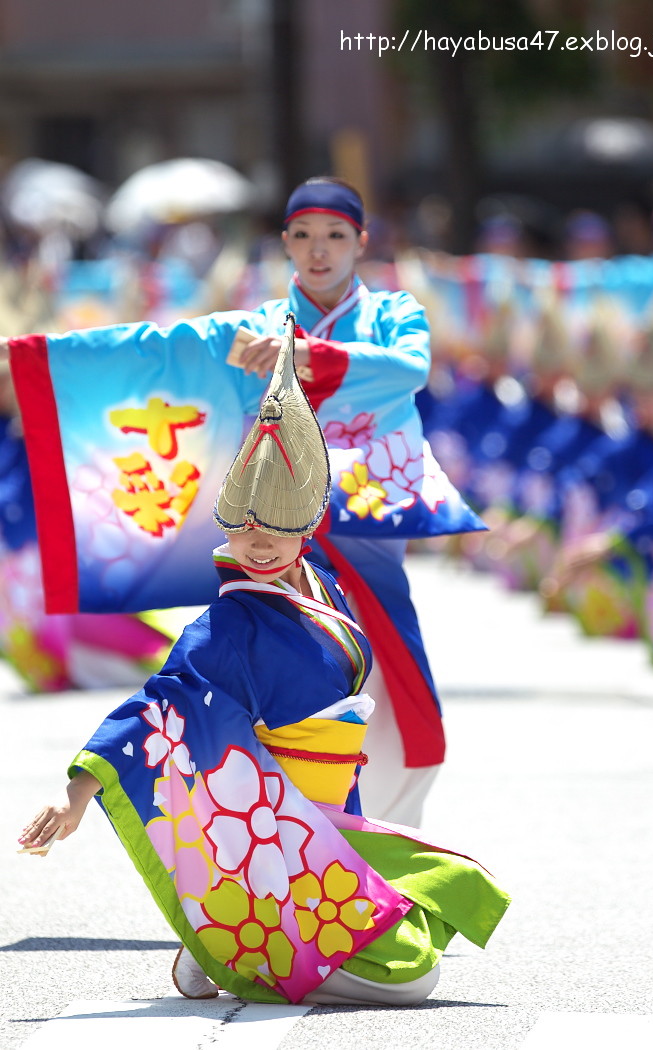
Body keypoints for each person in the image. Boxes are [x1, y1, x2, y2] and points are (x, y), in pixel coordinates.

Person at [18, 318, 509, 1007]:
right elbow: (157, 703)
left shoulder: (323, 589)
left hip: (331, 813)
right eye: (245, 528)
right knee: (412, 980)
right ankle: (232, 948)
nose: (259, 545)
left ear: (309, 529)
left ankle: (216, 941)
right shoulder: (229, 621)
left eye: (279, 530)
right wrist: (77, 792)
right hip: (277, 828)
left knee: (448, 894)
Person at [4, 176, 484, 826]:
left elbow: (406, 369)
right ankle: (266, 829)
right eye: (305, 236)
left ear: (361, 241)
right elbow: (162, 350)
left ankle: (379, 828)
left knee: (384, 665)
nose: (320, 251)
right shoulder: (257, 323)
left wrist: (302, 355)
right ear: (285, 242)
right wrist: (47, 362)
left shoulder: (395, 313)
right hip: (269, 523)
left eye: (336, 236)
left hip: (358, 517)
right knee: (239, 659)